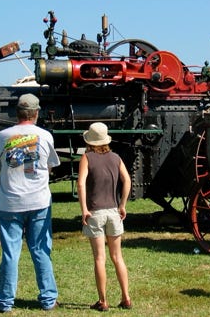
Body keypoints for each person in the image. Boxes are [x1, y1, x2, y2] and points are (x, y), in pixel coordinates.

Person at [0, 93, 60, 312]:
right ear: (36, 113)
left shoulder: (3, 136)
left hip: (10, 202)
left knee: (11, 253)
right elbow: (50, 166)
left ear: (17, 113)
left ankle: (4, 303)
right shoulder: (45, 136)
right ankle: (48, 300)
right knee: (41, 250)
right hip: (39, 201)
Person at [78, 122, 132, 312]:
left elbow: (81, 184)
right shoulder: (116, 157)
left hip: (95, 212)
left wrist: (84, 208)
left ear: (90, 141)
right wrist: (122, 205)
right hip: (113, 212)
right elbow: (127, 181)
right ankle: (126, 297)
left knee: (100, 258)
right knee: (118, 257)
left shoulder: (87, 157)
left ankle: (103, 301)